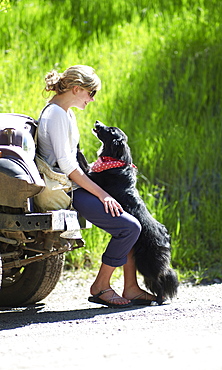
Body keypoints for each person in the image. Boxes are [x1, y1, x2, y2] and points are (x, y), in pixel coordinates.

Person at [37, 65, 157, 308]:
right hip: (67, 190)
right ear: (76, 88)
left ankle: (131, 288)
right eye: (91, 93)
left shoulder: (65, 112)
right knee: (129, 227)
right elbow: (68, 167)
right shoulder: (57, 114)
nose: (92, 99)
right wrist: (103, 194)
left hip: (74, 184)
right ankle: (100, 286)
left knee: (132, 219)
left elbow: (73, 160)